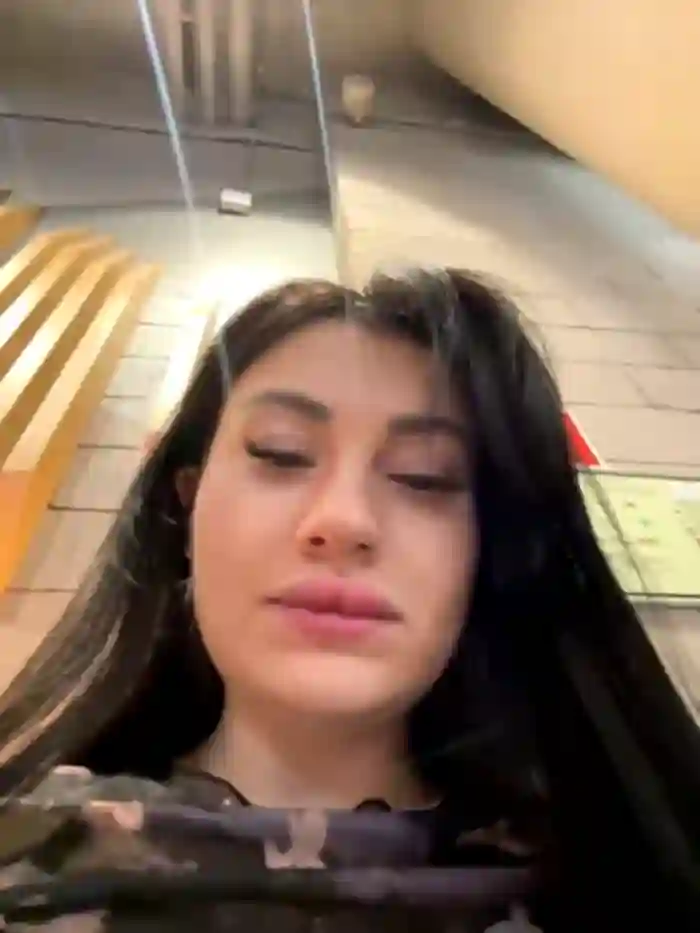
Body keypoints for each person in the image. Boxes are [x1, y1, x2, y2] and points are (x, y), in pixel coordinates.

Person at [0, 269, 697, 932]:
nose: (343, 520)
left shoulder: (612, 886)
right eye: (281, 453)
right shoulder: (28, 865)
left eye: (423, 477)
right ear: (186, 507)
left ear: (486, 554)